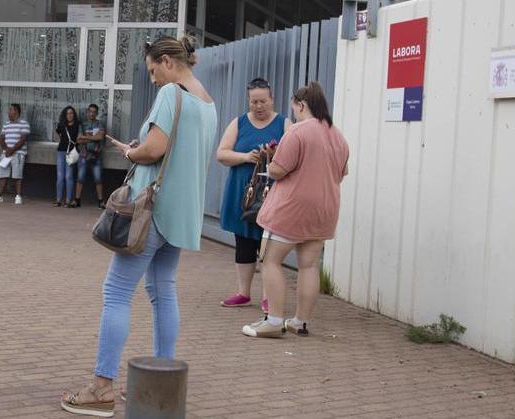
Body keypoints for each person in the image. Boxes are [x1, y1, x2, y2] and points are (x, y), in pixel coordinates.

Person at [61, 35, 217, 417]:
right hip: (182, 214)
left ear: (167, 61)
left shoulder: (171, 95)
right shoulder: (208, 102)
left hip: (152, 210)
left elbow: (155, 149)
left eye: (152, 71)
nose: (154, 80)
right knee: (163, 290)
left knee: (116, 291)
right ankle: (160, 383)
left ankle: (102, 388)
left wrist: (132, 151)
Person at [243, 81, 348, 339]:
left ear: (301, 105)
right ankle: (300, 321)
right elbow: (341, 174)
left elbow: (279, 170)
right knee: (309, 265)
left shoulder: (298, 131)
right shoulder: (338, 136)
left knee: (271, 260)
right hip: (325, 209)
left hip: (291, 208)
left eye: (295, 108)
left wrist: (273, 157)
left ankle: (274, 321)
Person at [215, 78, 289, 311]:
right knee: (244, 242)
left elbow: (293, 156)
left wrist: (274, 155)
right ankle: (243, 293)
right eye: (254, 101)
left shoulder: (284, 123)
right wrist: (246, 157)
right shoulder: (238, 123)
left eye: (263, 101)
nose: (258, 106)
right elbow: (222, 154)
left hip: (271, 193)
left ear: (272, 99)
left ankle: (269, 296)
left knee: (268, 246)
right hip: (242, 193)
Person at [0, 104, 29, 205]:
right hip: (6, 153)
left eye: (10, 110)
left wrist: (13, 149)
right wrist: (6, 149)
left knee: (17, 175)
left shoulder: (24, 124)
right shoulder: (6, 124)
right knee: (3, 174)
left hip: (18, 153)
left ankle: (18, 196)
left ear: (16, 111)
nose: (8, 112)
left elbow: (23, 139)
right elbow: (1, 138)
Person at [75, 103, 107, 208]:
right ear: (87, 112)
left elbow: (100, 137)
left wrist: (86, 137)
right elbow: (78, 139)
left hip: (96, 155)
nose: (92, 113)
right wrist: (93, 137)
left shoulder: (100, 124)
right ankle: (77, 200)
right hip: (84, 154)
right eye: (90, 111)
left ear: (97, 113)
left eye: (94, 112)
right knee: (80, 177)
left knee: (98, 179)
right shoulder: (82, 124)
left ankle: (100, 202)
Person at [53, 106, 80, 207]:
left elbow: (80, 136)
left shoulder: (77, 125)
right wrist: (59, 139)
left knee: (69, 176)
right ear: (65, 114)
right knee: (60, 176)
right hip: (61, 151)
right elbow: (56, 132)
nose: (70, 115)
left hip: (71, 152)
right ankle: (58, 200)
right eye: (68, 113)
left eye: (72, 113)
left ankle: (68, 200)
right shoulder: (62, 125)